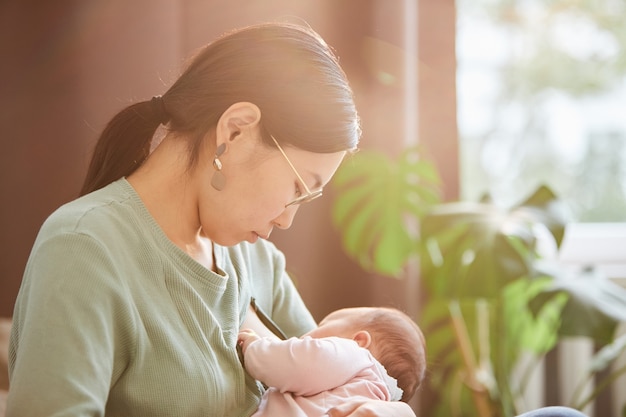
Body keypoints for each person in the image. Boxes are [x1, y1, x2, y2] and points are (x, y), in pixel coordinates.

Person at [5, 20, 590, 417]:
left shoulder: (252, 258)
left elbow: (335, 378)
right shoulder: (85, 249)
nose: (286, 219)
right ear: (235, 129)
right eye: (296, 188)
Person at [238, 306, 427, 416]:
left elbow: (292, 364)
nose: (305, 335)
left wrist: (255, 346)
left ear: (359, 340)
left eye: (323, 325)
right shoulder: (368, 392)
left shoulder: (355, 354)